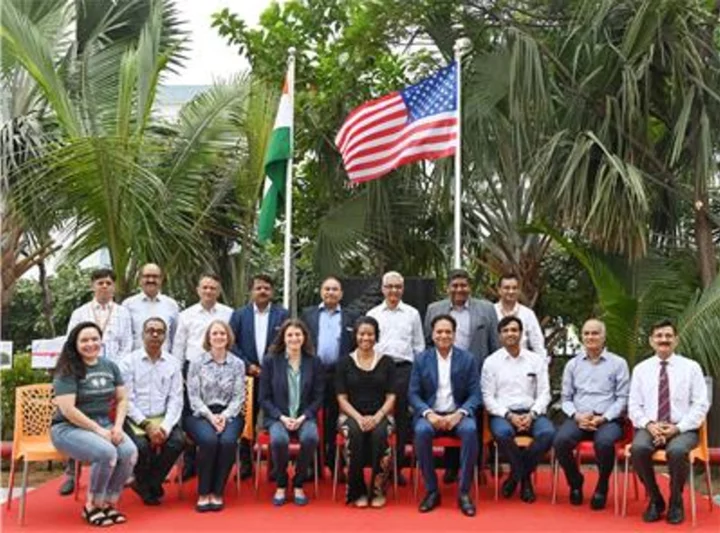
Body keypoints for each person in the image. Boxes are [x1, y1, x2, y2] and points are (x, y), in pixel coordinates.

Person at [50, 322, 137, 527]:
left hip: (105, 424)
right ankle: (92, 505)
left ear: (101, 341)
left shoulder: (110, 366)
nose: (90, 344)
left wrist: (117, 427)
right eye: (84, 340)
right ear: (75, 344)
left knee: (129, 452)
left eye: (94, 339)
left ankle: (108, 503)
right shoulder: (67, 370)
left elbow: (123, 399)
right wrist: (99, 431)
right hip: (68, 428)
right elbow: (69, 410)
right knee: (106, 453)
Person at [60, 268, 133, 496]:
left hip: (112, 375)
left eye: (108, 283)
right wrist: (90, 365)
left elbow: (127, 344)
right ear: (93, 285)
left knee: (116, 420)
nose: (104, 286)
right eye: (100, 282)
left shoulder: (123, 313)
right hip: (84, 374)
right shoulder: (80, 312)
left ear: (114, 287)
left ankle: (119, 475)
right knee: (79, 420)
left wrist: (111, 369)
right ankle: (72, 474)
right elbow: (70, 343)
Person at [628, 319, 709, 525]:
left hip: (683, 427)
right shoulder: (641, 369)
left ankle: (676, 501)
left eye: (668, 336)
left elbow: (701, 404)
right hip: (651, 426)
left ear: (676, 340)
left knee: (677, 451)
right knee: (637, 449)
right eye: (659, 336)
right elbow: (634, 406)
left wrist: (677, 428)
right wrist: (649, 424)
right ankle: (655, 499)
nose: (663, 340)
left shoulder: (691, 368)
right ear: (651, 341)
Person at [424, 268, 499, 483]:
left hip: (476, 371)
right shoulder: (434, 309)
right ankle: (450, 467)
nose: (459, 289)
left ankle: (475, 467)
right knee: (447, 408)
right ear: (448, 287)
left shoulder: (486, 309)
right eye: (455, 285)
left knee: (470, 417)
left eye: (463, 285)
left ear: (470, 287)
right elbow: (429, 343)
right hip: (443, 368)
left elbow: (494, 343)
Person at [553, 319, 630, 510]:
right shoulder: (573, 365)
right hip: (580, 417)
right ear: (582, 337)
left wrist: (603, 418)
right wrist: (577, 415)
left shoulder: (618, 363)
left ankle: (602, 485)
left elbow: (623, 399)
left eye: (595, 333)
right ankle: (575, 481)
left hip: (607, 419)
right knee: (560, 441)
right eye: (586, 333)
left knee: (604, 444)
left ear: (604, 337)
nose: (590, 337)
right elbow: (566, 398)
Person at [409, 315, 481, 517]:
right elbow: (413, 394)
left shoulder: (467, 359)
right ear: (432, 335)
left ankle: (464, 492)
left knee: (470, 430)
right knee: (421, 431)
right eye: (439, 331)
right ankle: (432, 490)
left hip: (457, 414)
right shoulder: (422, 359)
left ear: (454, 335)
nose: (443, 335)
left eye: (448, 332)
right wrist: (428, 413)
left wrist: (460, 413)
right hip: (430, 414)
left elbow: (476, 394)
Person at [482, 316, 554, 503]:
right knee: (503, 434)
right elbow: (488, 397)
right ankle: (525, 480)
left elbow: (545, 393)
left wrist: (533, 414)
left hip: (532, 412)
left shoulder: (535, 360)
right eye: (505, 331)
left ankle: (515, 476)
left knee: (547, 433)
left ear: (521, 334)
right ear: (500, 336)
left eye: (514, 330)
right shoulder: (491, 362)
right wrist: (508, 415)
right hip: (503, 414)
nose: (510, 334)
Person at [229, 274, 289, 479]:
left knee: (274, 419)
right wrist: (249, 366)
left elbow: (287, 342)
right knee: (247, 421)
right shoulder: (239, 315)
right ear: (251, 291)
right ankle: (246, 463)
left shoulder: (283, 315)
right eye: (258, 288)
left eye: (266, 288)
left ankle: (274, 465)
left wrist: (271, 366)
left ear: (272, 291)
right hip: (248, 377)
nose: (262, 291)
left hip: (275, 377)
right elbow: (232, 344)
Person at [367, 271, 424, 485]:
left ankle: (396, 468)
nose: (393, 291)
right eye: (389, 286)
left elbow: (419, 346)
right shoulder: (373, 314)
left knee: (401, 422)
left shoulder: (412, 314)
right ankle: (377, 466)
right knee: (379, 420)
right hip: (378, 371)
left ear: (403, 289)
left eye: (398, 287)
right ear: (382, 288)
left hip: (404, 371)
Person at [259, 319, 324, 506]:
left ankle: (298, 482)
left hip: (305, 416)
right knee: (279, 440)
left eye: (298, 334)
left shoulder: (314, 361)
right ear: (283, 338)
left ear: (304, 337)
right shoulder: (271, 361)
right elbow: (264, 398)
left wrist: (303, 417)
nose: (294, 338)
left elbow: (319, 396)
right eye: (290, 335)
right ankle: (280, 483)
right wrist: (281, 417)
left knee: (311, 438)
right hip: (278, 416)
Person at [184, 320, 246, 512]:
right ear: (208, 338)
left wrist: (224, 416)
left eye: (222, 334)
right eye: (215, 334)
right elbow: (193, 396)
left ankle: (217, 491)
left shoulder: (237, 363)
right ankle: (204, 492)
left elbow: (239, 397)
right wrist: (211, 417)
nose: (219, 337)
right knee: (209, 441)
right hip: (200, 413)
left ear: (228, 338)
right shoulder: (196, 362)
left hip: (230, 414)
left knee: (227, 441)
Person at [122, 317, 184, 506]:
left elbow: (176, 399)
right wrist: (146, 425)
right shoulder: (128, 362)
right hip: (134, 417)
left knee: (177, 441)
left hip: (162, 417)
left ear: (165, 336)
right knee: (140, 447)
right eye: (150, 330)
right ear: (142, 334)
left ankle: (147, 483)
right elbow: (126, 400)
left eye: (160, 331)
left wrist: (165, 427)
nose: (155, 334)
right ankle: (151, 486)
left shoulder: (173, 363)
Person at [300, 276, 358, 478]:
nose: (331, 292)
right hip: (313, 374)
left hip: (339, 375)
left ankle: (335, 463)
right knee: (312, 417)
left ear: (341, 293)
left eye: (335, 289)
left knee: (336, 420)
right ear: (321, 292)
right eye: (327, 289)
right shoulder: (308, 314)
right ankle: (312, 464)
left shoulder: (351, 317)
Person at [335, 316, 395, 508]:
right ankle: (357, 490)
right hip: (350, 414)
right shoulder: (344, 362)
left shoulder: (387, 362)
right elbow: (341, 398)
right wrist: (359, 418)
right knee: (354, 433)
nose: (366, 338)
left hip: (381, 414)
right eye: (362, 333)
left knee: (380, 434)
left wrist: (377, 417)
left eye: (370, 334)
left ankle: (377, 489)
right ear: (356, 336)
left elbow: (392, 396)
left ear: (376, 336)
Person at [173, 274, 233, 365]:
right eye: (205, 287)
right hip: (193, 365)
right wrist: (177, 369)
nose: (208, 291)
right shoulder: (186, 315)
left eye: (212, 288)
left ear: (219, 292)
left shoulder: (229, 314)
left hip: (222, 366)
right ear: (198, 290)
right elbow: (179, 345)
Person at [122, 263, 180, 351]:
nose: (151, 280)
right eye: (147, 276)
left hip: (164, 360)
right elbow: (125, 337)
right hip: (136, 361)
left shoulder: (171, 305)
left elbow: (175, 337)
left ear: (161, 280)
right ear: (140, 279)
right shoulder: (128, 304)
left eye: (155, 276)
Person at [493, 273, 547, 362]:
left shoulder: (527, 314)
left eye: (514, 288)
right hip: (496, 366)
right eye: (507, 288)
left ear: (519, 290)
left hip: (523, 366)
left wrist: (542, 368)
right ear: (499, 290)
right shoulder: (491, 312)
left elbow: (537, 344)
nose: (511, 291)